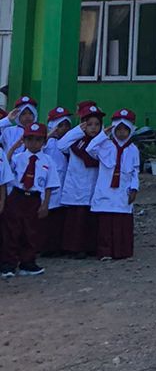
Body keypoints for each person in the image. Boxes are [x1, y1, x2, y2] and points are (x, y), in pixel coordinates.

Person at [0, 120, 54, 278]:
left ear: (44, 141)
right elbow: (5, 166)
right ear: (23, 140)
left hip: (34, 199)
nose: (34, 143)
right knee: (11, 231)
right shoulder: (18, 158)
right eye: (29, 139)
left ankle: (27, 263)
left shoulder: (48, 161)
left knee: (31, 232)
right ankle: (8, 264)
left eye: (38, 139)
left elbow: (50, 185)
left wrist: (45, 204)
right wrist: (13, 148)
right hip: (17, 197)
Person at [86, 109, 140, 262]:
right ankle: (105, 251)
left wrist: (134, 188)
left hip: (123, 190)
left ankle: (121, 251)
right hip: (106, 190)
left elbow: (135, 170)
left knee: (121, 222)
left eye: (125, 129)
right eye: (119, 129)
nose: (122, 133)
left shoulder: (133, 149)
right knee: (105, 223)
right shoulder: (105, 146)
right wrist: (103, 134)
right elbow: (89, 149)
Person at [59, 103, 105, 258]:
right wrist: (78, 130)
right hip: (76, 187)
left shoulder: (102, 143)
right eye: (89, 124)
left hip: (93, 187)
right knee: (75, 220)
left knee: (90, 220)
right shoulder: (74, 142)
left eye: (97, 124)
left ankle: (90, 247)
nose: (93, 128)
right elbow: (61, 145)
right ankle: (74, 248)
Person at [38, 107, 74, 258]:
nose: (64, 129)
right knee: (48, 220)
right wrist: (50, 134)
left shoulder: (70, 143)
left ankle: (60, 246)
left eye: (66, 125)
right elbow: (39, 148)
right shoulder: (49, 142)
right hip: (48, 187)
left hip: (65, 186)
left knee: (60, 219)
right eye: (60, 125)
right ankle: (46, 247)